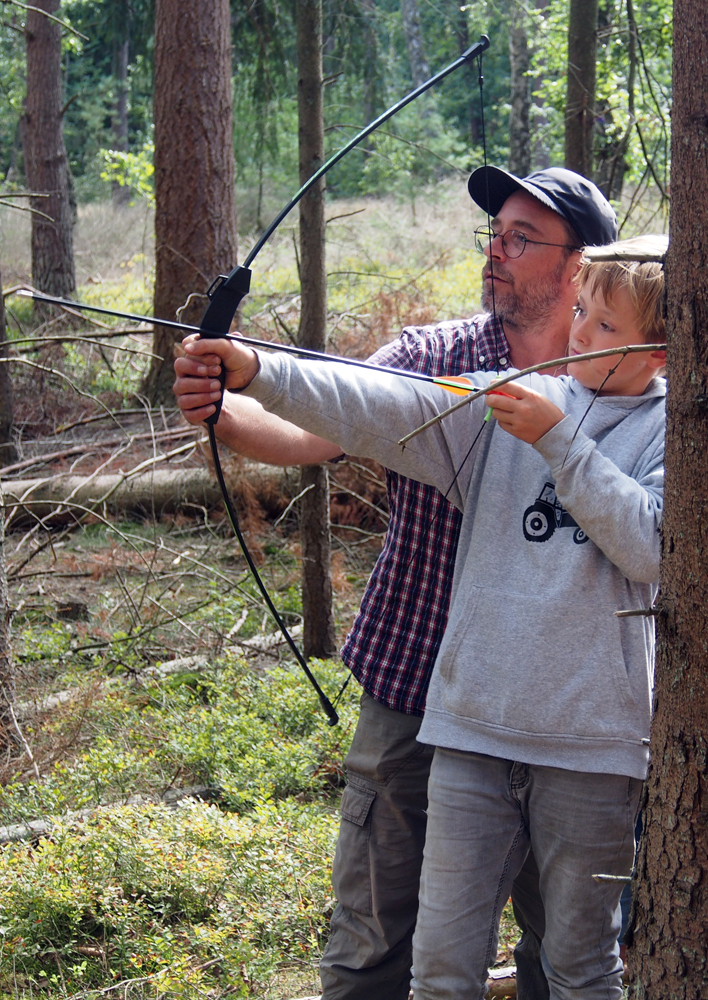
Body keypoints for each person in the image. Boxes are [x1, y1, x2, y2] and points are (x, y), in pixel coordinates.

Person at [179, 237, 667, 999]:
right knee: (440, 969)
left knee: (578, 966)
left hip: (591, 748)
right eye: (581, 312)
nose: (579, 334)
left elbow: (649, 547)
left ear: (661, 351)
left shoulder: (672, 433)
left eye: (606, 327)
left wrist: (557, 440)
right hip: (471, 731)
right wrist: (260, 372)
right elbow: (382, 404)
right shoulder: (505, 399)